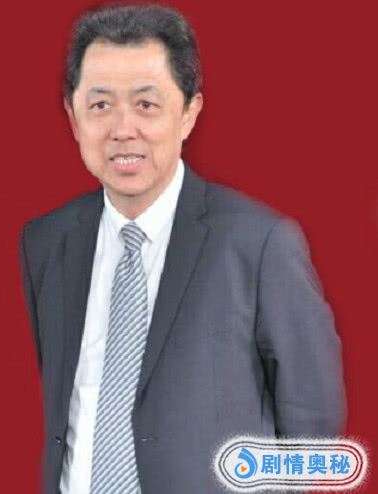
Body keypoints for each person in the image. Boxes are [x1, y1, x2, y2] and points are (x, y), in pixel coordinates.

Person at [19, 4, 347, 494]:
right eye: (100, 105)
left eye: (146, 104)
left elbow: (313, 427)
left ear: (189, 112)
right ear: (73, 116)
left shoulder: (260, 244)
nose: (122, 129)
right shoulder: (47, 241)